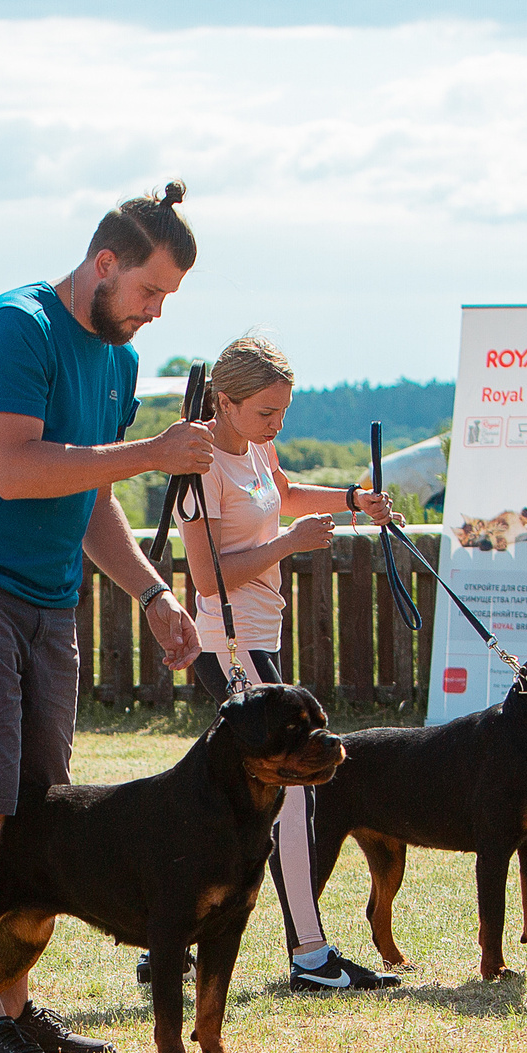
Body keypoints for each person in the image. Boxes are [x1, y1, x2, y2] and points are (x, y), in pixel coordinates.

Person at [0, 182, 213, 1053]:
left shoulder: (117, 361)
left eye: (168, 299)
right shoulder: (15, 328)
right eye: (149, 291)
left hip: (47, 604)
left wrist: (152, 593)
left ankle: (15, 1008)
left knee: (37, 814)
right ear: (104, 263)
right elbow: (18, 468)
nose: (155, 313)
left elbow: (89, 498)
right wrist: (154, 452)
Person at [171, 333, 398, 991]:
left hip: (259, 637)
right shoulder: (199, 463)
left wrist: (354, 501)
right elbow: (207, 578)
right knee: (294, 791)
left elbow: (286, 492)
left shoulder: (255, 445)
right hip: (227, 641)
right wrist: (288, 545)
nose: (276, 424)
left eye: (283, 412)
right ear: (225, 401)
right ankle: (310, 956)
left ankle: (167, 944)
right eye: (266, 412)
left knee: (228, 796)